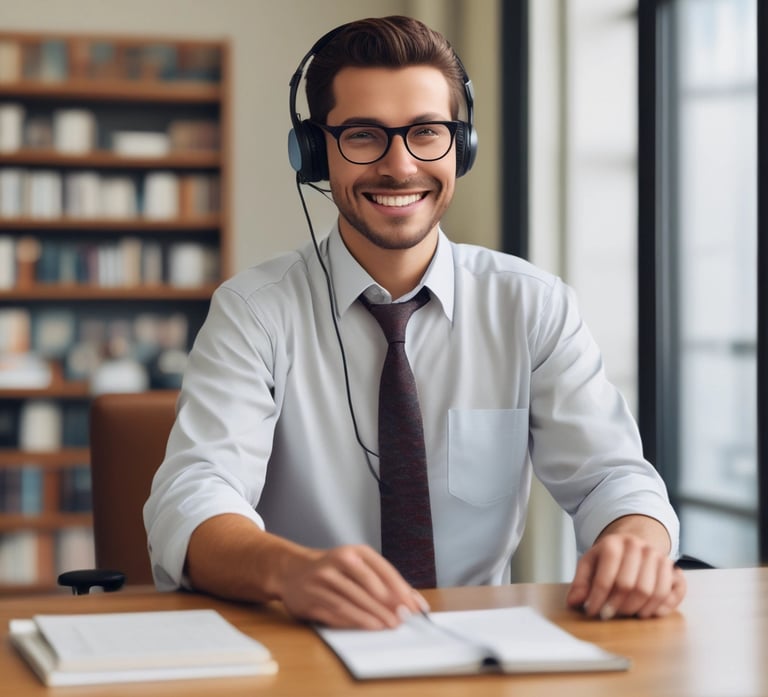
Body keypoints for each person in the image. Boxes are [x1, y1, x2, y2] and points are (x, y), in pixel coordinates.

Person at [143, 15, 686, 630]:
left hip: (481, 647)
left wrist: (634, 539)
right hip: (304, 640)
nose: (400, 166)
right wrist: (286, 570)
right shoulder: (253, 313)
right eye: (364, 135)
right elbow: (194, 495)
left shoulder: (533, 306)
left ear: (461, 145)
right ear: (315, 152)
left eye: (427, 133)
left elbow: (611, 478)